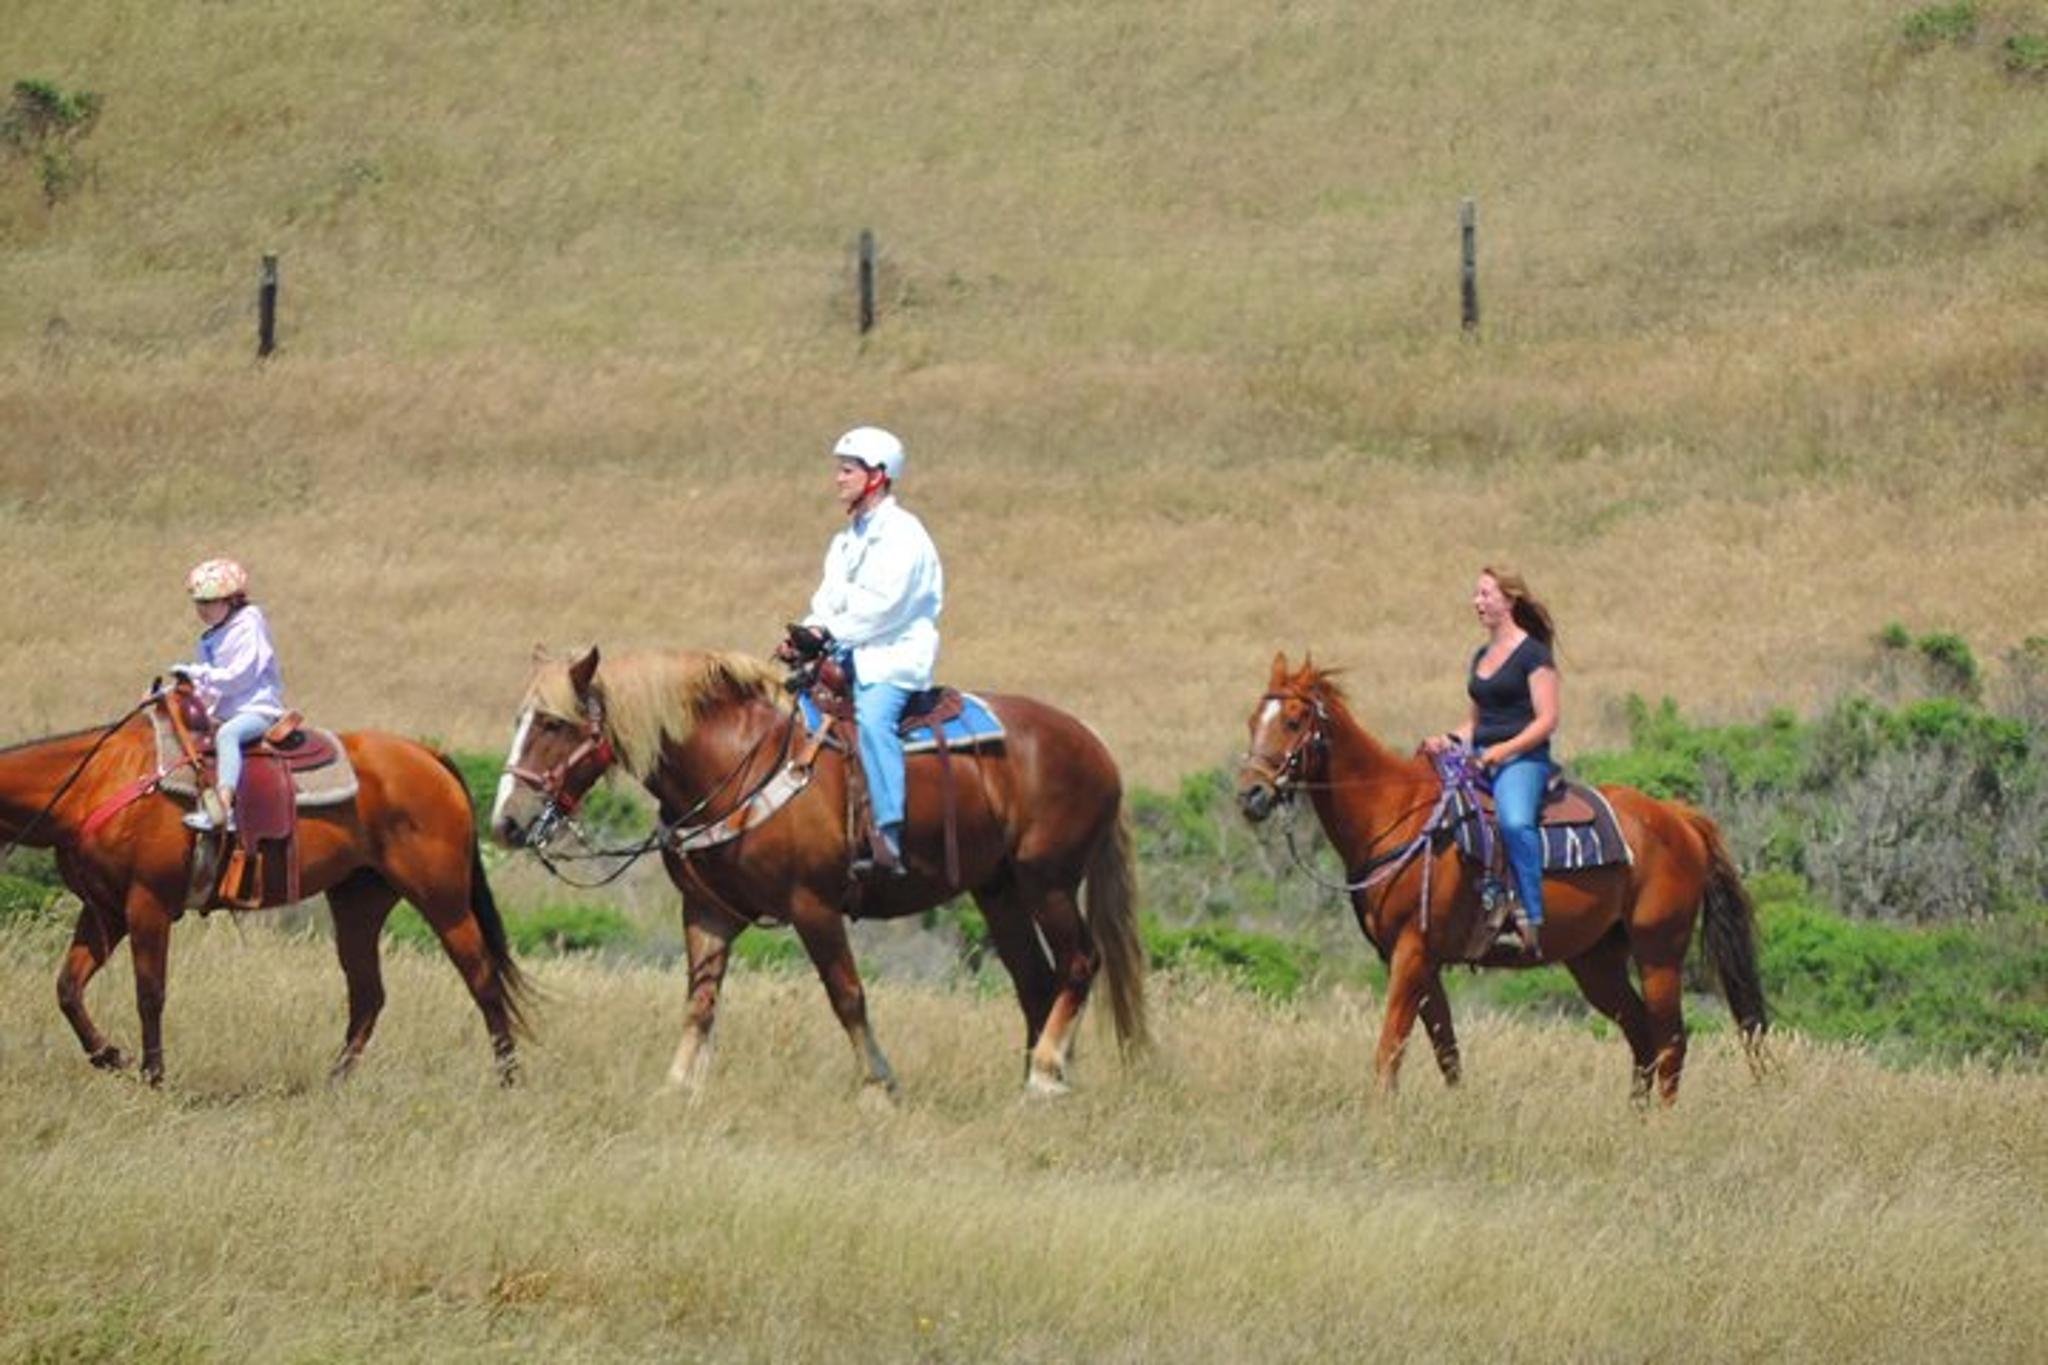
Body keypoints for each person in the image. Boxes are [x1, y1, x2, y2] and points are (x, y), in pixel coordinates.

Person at [782, 426, 943, 877]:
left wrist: (827, 633)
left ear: (877, 475)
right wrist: (804, 633)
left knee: (873, 721)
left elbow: (883, 608)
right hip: (849, 654)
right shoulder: (846, 540)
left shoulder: (904, 535)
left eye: (847, 470)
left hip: (892, 658)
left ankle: (889, 833)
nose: (838, 479)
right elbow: (827, 601)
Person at [1420, 566, 1560, 951]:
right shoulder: (1482, 655)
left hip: (1524, 759)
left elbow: (1547, 719)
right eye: (1476, 595)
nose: (1476, 602)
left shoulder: (1534, 654)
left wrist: (1502, 750)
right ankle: (1473, 904)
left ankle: (1530, 915)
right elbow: (1475, 722)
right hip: (1480, 757)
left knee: (1514, 822)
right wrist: (1448, 740)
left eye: (1485, 595)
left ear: (1509, 600)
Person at [172, 557, 288, 833]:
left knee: (228, 736)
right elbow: (208, 689)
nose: (203, 610)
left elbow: (239, 677)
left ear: (233, 600)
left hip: (258, 711)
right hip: (222, 713)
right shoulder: (209, 638)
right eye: (199, 602)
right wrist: (179, 690)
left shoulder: (249, 625)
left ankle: (224, 808)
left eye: (210, 602)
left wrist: (199, 674)